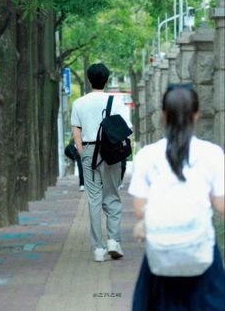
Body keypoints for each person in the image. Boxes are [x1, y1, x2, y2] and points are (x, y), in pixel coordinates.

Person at [128, 84, 225, 311]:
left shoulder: (146, 156)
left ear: (163, 115)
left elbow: (139, 209)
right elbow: (221, 204)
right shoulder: (211, 154)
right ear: (197, 114)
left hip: (161, 251)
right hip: (202, 248)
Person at [71, 62, 132, 262]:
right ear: (106, 79)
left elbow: (76, 131)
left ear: (89, 79)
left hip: (89, 151)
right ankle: (113, 241)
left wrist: (82, 153)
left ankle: (98, 249)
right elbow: (125, 129)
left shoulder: (79, 103)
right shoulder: (116, 101)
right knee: (112, 195)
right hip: (111, 152)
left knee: (94, 199)